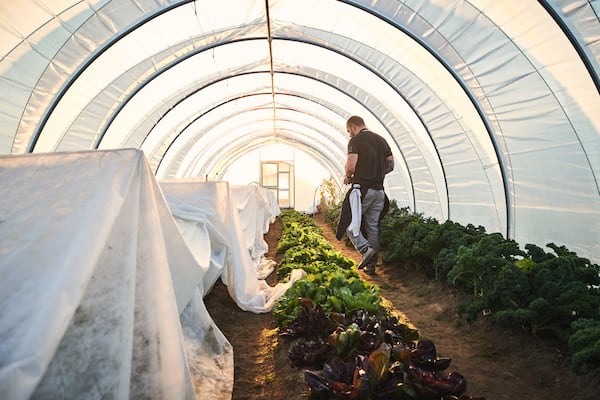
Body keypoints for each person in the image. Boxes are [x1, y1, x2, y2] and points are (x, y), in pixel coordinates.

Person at [336, 115, 394, 274]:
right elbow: (391, 164)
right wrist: (377, 173)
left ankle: (364, 249)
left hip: (362, 190)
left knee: (348, 223)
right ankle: (371, 266)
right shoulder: (382, 140)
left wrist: (349, 175)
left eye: (349, 131)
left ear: (354, 127)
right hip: (379, 192)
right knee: (372, 227)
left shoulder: (356, 141)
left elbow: (350, 167)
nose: (349, 135)